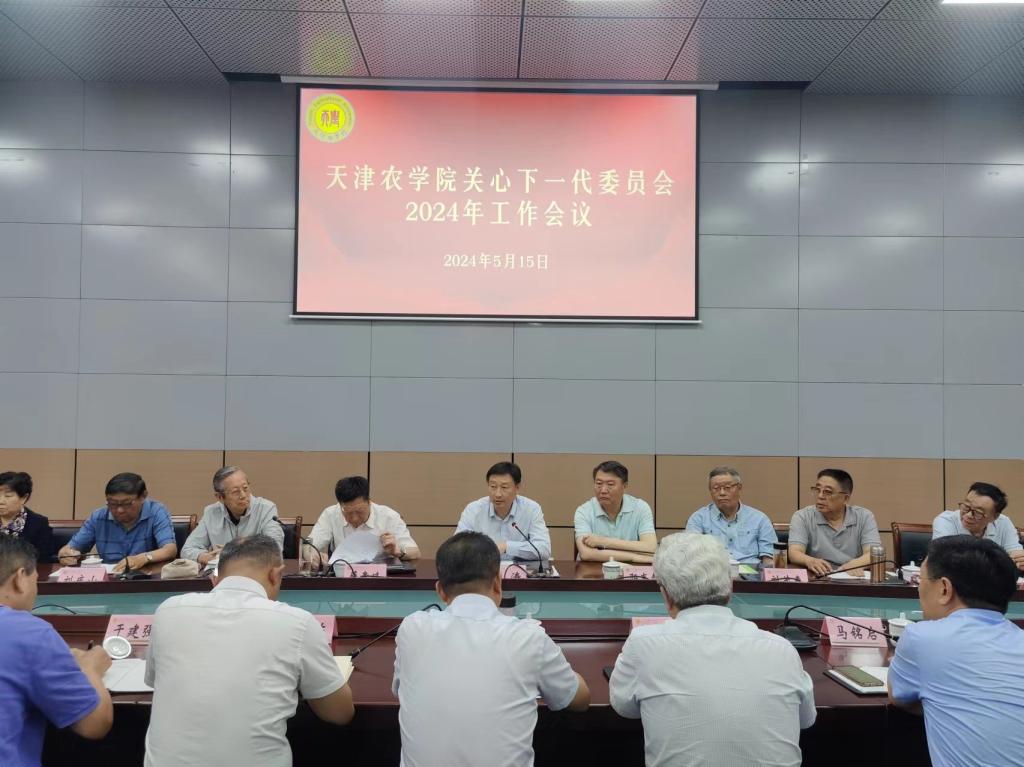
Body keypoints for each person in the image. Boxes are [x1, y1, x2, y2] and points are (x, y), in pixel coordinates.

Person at [144, 535, 354, 767]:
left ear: (215, 579)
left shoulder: (168, 611)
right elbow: (340, 713)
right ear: (276, 575)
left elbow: (155, 681)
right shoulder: (298, 623)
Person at [610, 533, 815, 766]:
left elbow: (624, 707)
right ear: (730, 588)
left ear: (665, 595)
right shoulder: (782, 650)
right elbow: (806, 719)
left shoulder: (643, 644)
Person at [392, 531, 589, 766]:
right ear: (498, 583)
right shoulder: (527, 638)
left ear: (440, 591)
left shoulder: (412, 629)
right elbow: (579, 699)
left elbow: (400, 690)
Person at [888, 536, 1024, 766]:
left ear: (944, 589)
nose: (919, 589)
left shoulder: (922, 637)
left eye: (921, 579)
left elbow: (898, 698)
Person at [0, 536, 113, 766]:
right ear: (20, 578)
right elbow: (94, 724)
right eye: (35, 580)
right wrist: (90, 667)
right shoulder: (28, 632)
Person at [57, 472, 177, 572]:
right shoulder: (98, 517)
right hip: (110, 580)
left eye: (126, 503)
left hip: (146, 578)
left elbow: (170, 549)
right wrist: (65, 554)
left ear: (143, 496)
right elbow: (70, 548)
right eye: (112, 503)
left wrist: (144, 558)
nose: (119, 510)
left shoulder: (156, 511)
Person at [304, 476, 420, 569]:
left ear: (369, 502)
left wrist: (398, 552)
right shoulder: (330, 514)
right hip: (342, 578)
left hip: (381, 579)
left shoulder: (389, 516)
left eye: (360, 511)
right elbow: (308, 546)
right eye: (348, 512)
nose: (354, 518)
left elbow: (415, 552)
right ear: (340, 505)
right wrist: (313, 555)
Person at [787, 469, 881, 577]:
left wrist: (853, 565)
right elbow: (794, 552)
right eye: (817, 490)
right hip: (818, 578)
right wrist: (810, 561)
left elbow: (873, 553)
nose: (820, 496)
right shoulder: (802, 516)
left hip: (853, 578)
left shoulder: (864, 517)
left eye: (828, 492)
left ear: (845, 498)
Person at [181, 466, 283, 565]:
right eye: (235, 492)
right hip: (222, 574)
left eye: (245, 488)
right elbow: (187, 550)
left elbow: (275, 549)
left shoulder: (266, 509)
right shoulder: (211, 513)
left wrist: (231, 553)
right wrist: (208, 557)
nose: (243, 495)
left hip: (255, 572)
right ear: (220, 497)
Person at [455, 462, 551, 566]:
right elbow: (458, 547)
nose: (498, 494)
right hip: (483, 570)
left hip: (519, 571)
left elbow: (544, 550)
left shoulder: (531, 509)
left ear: (517, 487)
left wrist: (506, 546)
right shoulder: (473, 510)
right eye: (493, 486)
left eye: (504, 487)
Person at [685, 466, 777, 565]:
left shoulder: (759, 519)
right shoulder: (698, 519)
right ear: (710, 491)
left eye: (727, 487)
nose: (722, 493)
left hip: (751, 571)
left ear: (739, 488)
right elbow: (691, 556)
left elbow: (769, 559)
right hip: (714, 571)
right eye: (716, 488)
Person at [575, 460, 656, 563]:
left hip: (631, 570)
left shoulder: (640, 508)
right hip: (593, 570)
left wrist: (603, 541)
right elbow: (586, 554)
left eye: (610, 484)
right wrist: (634, 557)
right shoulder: (584, 511)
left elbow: (651, 547)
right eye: (599, 483)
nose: (603, 490)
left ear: (624, 486)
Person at [932, 482, 1023, 572]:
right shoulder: (946, 521)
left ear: (994, 517)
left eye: (978, 513)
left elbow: (1016, 553)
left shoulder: (1003, 522)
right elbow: (944, 559)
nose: (968, 515)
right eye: (966, 506)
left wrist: (1020, 560)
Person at [0, 471, 54, 561]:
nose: (1, 501)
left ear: (23, 498)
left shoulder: (39, 524)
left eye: (8, 496)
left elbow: (43, 561)